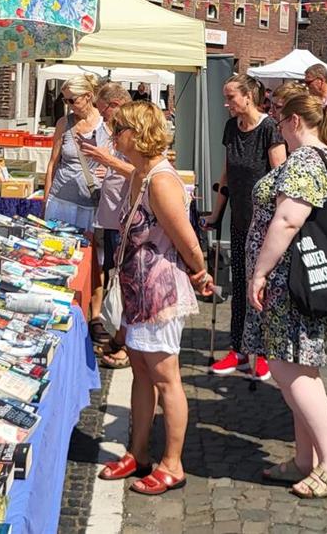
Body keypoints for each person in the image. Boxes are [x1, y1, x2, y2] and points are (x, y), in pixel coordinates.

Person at [97, 102, 213, 495]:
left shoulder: (161, 180)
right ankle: (139, 451)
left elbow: (187, 240)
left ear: (137, 133)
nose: (114, 137)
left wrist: (200, 272)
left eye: (119, 131)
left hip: (158, 291)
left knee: (166, 377)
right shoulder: (143, 174)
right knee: (142, 373)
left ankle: (172, 463)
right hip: (137, 288)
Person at [245, 94, 327, 498]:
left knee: (290, 371)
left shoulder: (307, 159)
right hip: (294, 279)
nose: (274, 125)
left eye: (278, 118)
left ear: (293, 121)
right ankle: (306, 458)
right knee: (299, 369)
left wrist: (260, 271)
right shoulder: (320, 156)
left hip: (290, 282)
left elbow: (289, 219)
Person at [203, 75, 286, 381]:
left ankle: (263, 351)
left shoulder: (270, 129)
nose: (227, 104)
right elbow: (227, 173)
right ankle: (238, 349)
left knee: (260, 287)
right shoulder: (231, 128)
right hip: (238, 219)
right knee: (239, 285)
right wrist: (216, 213)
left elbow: (280, 178)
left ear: (248, 97)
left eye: (231, 98)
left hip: (264, 224)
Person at [44, 75, 110, 341]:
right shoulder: (64, 123)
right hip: (61, 202)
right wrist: (46, 201)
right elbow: (52, 163)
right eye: (65, 99)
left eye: (73, 99)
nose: (69, 104)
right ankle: (60, 308)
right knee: (58, 258)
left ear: (89, 96)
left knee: (96, 261)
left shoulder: (107, 124)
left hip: (92, 205)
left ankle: (95, 316)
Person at [80, 82, 134, 369]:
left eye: (103, 110)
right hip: (113, 217)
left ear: (114, 105)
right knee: (116, 277)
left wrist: (106, 160)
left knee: (125, 282)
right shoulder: (118, 131)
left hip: (125, 221)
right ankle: (121, 338)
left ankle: (125, 343)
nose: (103, 117)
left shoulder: (133, 129)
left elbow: (141, 172)